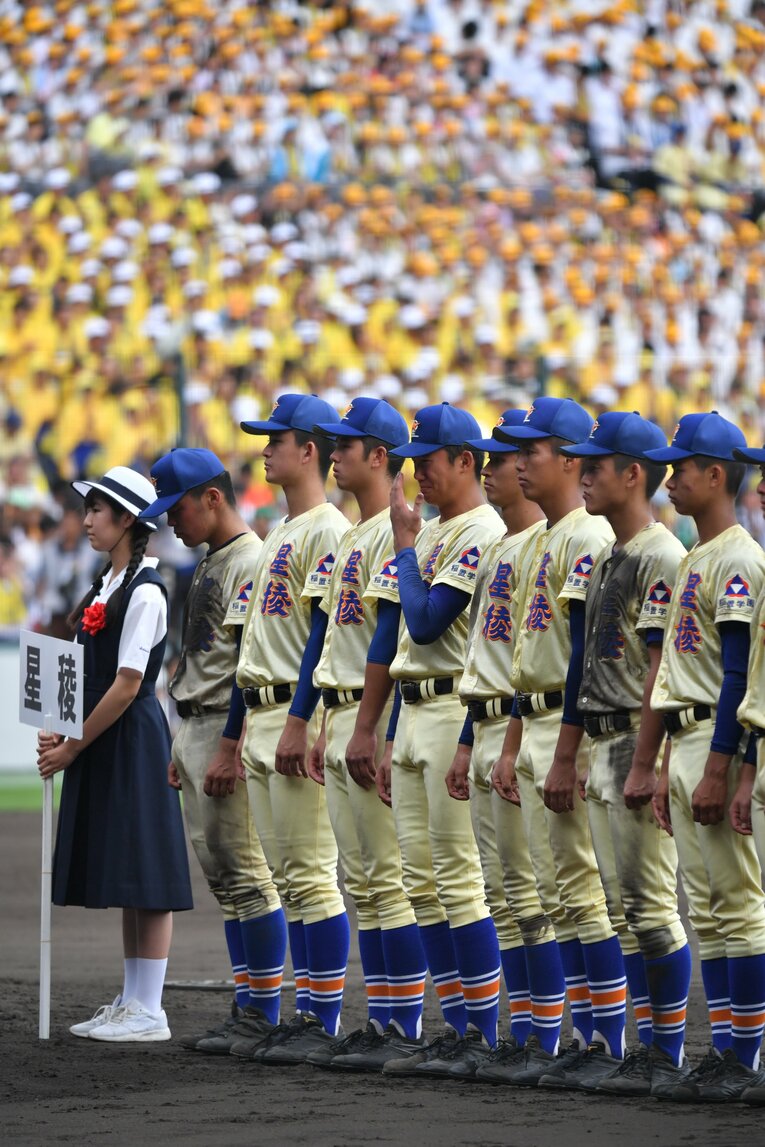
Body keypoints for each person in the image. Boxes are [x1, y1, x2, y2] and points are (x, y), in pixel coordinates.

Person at [492, 397, 642, 1090]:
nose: (520, 463)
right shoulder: (547, 537)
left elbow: (584, 656)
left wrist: (560, 749)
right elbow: (533, 651)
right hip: (539, 718)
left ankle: (605, 1039)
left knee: (585, 892)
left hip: (574, 726)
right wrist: (515, 734)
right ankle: (580, 1035)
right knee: (553, 892)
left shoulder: (583, 536)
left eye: (533, 451)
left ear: (567, 455)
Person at [557, 412, 693, 1098]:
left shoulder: (659, 553)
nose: (582, 474)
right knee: (621, 906)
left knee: (648, 905)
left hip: (634, 743)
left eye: (595, 465)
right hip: (604, 741)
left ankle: (664, 1050)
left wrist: (649, 759)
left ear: (633, 473)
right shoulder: (615, 550)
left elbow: (659, 671)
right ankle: (647, 1045)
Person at [37, 465, 193, 1042]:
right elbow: (81, 672)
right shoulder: (105, 584)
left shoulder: (145, 590)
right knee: (130, 871)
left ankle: (149, 1009)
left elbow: (129, 684)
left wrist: (72, 746)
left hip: (131, 737)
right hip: (107, 736)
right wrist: (59, 730)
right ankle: (132, 1000)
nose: (87, 520)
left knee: (146, 872)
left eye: (97, 510)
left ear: (127, 519)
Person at [373, 401, 506, 1078]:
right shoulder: (430, 530)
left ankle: (481, 1031)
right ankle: (454, 1027)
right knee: (421, 882)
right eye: (412, 462)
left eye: (427, 461)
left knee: (458, 880)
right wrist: (388, 730)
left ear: (464, 460)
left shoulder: (478, 530)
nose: (417, 473)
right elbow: (401, 642)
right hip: (414, 707)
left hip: (455, 703)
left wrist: (401, 540)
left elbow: (425, 624)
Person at [138, 447, 285, 1056]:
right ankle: (247, 1004)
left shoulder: (249, 560)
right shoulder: (209, 561)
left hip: (229, 727)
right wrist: (185, 742)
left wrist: (229, 746)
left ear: (213, 497)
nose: (171, 521)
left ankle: (263, 1011)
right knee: (227, 880)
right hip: (197, 727)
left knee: (250, 878)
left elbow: (251, 667)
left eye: (178, 507)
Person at [303, 397, 430, 1071]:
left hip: (374, 716)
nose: (335, 453)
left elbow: (396, 640)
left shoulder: (396, 530)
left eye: (348, 445)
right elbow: (336, 639)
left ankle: (401, 1022)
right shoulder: (355, 533)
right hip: (343, 709)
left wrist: (373, 728)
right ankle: (383, 1016)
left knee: (388, 878)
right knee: (363, 878)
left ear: (380, 456)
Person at [643, 412, 765, 1103]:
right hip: (685, 744)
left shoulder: (738, 557)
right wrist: (665, 763)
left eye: (680, 467)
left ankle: (742, 1055)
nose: (670, 478)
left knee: (737, 904)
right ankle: (724, 1049)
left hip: (713, 740)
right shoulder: (697, 552)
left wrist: (721, 762)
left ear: (714, 474)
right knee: (709, 906)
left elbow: (733, 674)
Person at [445, 408, 568, 1082]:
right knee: (507, 895)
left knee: (542, 895)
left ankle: (545, 1035)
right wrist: (471, 741)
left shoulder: (551, 543)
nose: (499, 468)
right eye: (495, 458)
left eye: (510, 457)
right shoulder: (502, 546)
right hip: (493, 722)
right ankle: (526, 1033)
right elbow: (489, 659)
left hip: (537, 725)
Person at [236, 393, 351, 1064]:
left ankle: (320, 1015)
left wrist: (303, 717)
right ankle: (305, 1010)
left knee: (310, 872)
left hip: (292, 713)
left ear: (308, 450)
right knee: (285, 871)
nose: (264, 449)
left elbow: (321, 633)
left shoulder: (327, 528)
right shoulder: (280, 529)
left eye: (275, 439)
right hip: (262, 710)